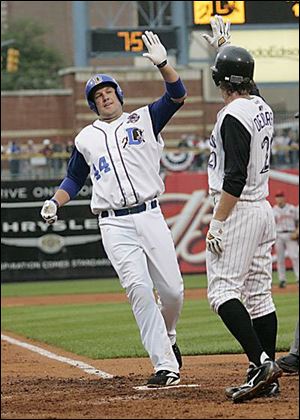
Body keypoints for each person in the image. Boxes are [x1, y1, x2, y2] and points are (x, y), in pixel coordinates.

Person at [40, 31, 186, 387]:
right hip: (113, 224)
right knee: (138, 289)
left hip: (149, 214)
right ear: (93, 106)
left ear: (119, 96)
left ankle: (169, 336)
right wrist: (54, 201)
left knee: (173, 292)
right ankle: (165, 366)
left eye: (108, 92)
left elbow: (177, 96)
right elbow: (74, 178)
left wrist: (164, 65)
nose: (104, 98)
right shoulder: (86, 137)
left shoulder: (144, 119)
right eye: (97, 96)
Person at [202, 15, 282, 403]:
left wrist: (218, 222)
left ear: (221, 82)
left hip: (238, 207)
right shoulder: (260, 107)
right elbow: (252, 92)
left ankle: (262, 363)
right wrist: (225, 51)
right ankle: (265, 372)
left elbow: (233, 176)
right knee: (259, 295)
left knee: (221, 292)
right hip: (262, 206)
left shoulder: (233, 115)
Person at [272, 191, 299, 288]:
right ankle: (282, 280)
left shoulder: (292, 208)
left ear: (284, 198)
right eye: (277, 197)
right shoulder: (273, 210)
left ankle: (298, 278)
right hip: (279, 235)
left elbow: (297, 221)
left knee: (295, 256)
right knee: (280, 258)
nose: (279, 199)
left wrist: (296, 232)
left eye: (280, 196)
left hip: (291, 234)